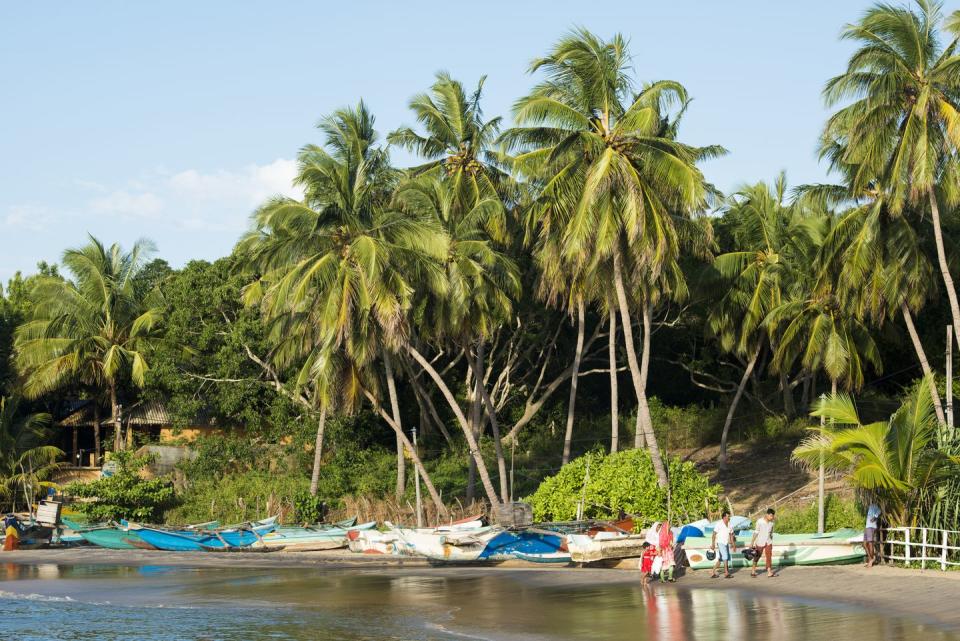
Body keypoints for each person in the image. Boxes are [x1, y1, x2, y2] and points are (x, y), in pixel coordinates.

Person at [750, 508, 776, 577]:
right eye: (770, 516)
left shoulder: (772, 523)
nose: (772, 517)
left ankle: (769, 572)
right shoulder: (760, 521)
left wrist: (771, 540)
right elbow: (756, 532)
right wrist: (752, 542)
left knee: (769, 556)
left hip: (768, 542)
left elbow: (771, 533)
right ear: (767, 514)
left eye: (772, 516)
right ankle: (753, 570)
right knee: (757, 556)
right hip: (760, 541)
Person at [710, 510, 736, 578]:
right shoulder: (719, 524)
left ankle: (713, 572)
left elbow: (731, 535)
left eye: (729, 516)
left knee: (721, 559)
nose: (729, 518)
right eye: (728, 516)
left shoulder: (730, 524)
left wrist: (733, 545)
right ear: (724, 517)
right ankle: (726, 573)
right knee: (725, 557)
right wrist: (713, 544)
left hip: (726, 543)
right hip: (720, 542)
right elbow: (713, 534)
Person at [658, 518, 676, 582]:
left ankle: (662, 579)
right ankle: (670, 577)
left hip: (663, 551)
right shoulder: (670, 533)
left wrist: (659, 552)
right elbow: (671, 544)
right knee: (671, 564)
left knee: (663, 566)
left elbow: (659, 545)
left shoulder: (661, 534)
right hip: (669, 551)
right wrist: (671, 546)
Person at [864, 502, 881, 567]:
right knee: (864, 544)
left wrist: (874, 517)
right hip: (867, 526)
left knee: (870, 543)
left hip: (871, 526)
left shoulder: (875, 505)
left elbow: (879, 511)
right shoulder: (870, 505)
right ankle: (870, 559)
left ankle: (871, 560)